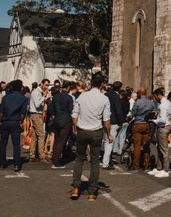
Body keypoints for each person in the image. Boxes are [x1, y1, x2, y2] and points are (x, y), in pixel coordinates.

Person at [70, 73, 111, 201]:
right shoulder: (104, 98)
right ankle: (92, 192)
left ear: (91, 83)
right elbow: (106, 120)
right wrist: (109, 134)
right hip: (96, 131)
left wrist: (74, 126)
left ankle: (76, 188)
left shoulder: (82, 96)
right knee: (94, 161)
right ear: (101, 85)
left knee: (79, 159)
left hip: (82, 130)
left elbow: (74, 114)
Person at [0, 80, 28, 172]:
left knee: (3, 143)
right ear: (20, 87)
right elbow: (23, 113)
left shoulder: (5, 97)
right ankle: (16, 164)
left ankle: (2, 162)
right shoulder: (23, 98)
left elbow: (1, 111)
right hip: (15, 121)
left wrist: (0, 121)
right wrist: (21, 121)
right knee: (16, 144)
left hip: (5, 121)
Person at [148, 88, 171, 178]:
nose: (155, 98)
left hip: (163, 127)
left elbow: (162, 120)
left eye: (155, 96)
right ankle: (159, 167)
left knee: (163, 149)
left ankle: (165, 169)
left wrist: (154, 120)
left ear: (158, 95)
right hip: (166, 125)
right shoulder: (168, 103)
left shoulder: (162, 105)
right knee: (160, 148)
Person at [130, 88, 155, 170]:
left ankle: (136, 165)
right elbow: (153, 112)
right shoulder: (150, 103)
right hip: (146, 124)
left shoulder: (137, 102)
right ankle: (146, 164)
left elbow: (133, 113)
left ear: (140, 94)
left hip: (138, 124)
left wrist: (129, 117)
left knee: (137, 146)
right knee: (146, 145)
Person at [102, 81, 125, 170]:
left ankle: (107, 160)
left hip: (105, 120)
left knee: (106, 141)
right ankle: (106, 162)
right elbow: (118, 110)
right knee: (110, 142)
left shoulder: (106, 95)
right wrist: (120, 122)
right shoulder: (116, 97)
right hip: (113, 121)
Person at [51, 81, 74, 169]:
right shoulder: (69, 98)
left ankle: (55, 157)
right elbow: (71, 110)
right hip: (65, 121)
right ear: (68, 88)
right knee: (61, 141)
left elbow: (52, 109)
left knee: (57, 140)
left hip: (57, 120)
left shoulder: (56, 97)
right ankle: (56, 161)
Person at [28, 78, 50, 162]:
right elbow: (37, 104)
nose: (47, 87)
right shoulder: (36, 92)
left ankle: (32, 154)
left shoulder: (39, 92)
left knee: (35, 135)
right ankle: (41, 155)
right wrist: (44, 97)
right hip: (36, 114)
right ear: (41, 83)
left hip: (37, 114)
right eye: (46, 85)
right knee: (41, 135)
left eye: (48, 85)